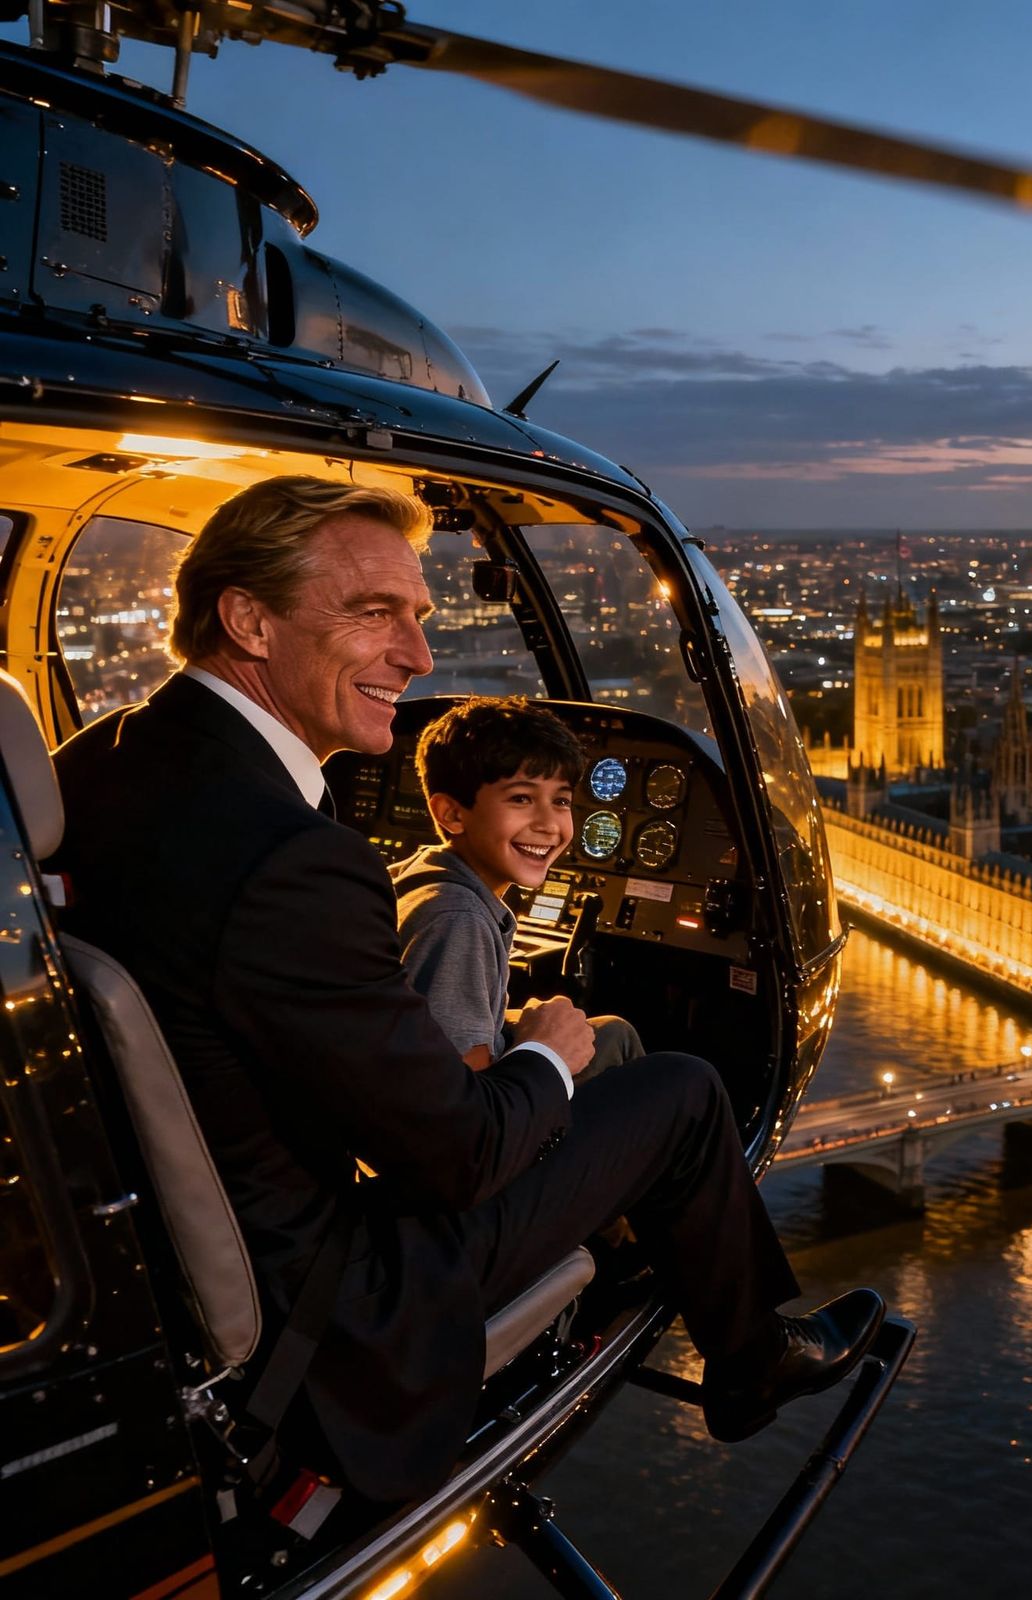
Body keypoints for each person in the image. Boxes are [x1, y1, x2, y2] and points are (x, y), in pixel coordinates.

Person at [49, 475, 882, 1504]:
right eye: (375, 613)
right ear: (248, 621)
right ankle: (750, 1361)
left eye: (421, 616)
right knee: (678, 1093)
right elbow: (459, 1154)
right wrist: (548, 1053)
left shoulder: (93, 764)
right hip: (339, 1301)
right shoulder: (290, 857)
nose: (420, 655)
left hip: (174, 1254)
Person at [391, 695, 641, 1074]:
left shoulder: (419, 872)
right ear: (452, 814)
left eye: (560, 800)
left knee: (614, 1032)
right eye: (521, 798)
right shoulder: (460, 921)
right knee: (686, 1077)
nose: (547, 823)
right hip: (488, 1121)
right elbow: (466, 1098)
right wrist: (542, 1048)